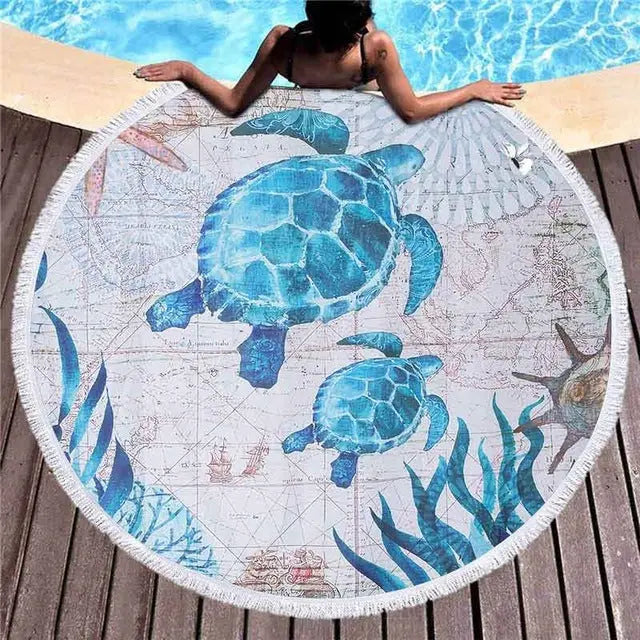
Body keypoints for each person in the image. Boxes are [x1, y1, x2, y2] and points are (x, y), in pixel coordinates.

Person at [134, 0, 525, 123]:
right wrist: (474, 89)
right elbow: (411, 110)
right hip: (360, 81)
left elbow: (234, 103)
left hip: (310, 75)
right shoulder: (376, 48)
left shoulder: (283, 44)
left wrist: (187, 70)